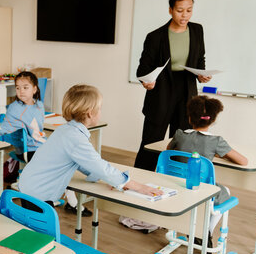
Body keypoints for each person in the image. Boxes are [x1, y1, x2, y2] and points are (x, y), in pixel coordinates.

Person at [19, 84, 163, 212]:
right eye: (99, 108)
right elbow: (100, 166)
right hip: (38, 194)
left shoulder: (66, 130)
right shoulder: (75, 138)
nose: (101, 112)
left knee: (34, 231)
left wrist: (115, 181)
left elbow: (86, 163)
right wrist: (137, 186)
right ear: (90, 112)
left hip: (29, 186)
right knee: (43, 237)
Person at [0, 71, 86, 215]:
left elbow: (37, 127)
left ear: (34, 89)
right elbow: (5, 126)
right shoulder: (15, 108)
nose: (21, 91)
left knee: (66, 159)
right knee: (62, 164)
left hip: (40, 146)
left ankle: (62, 197)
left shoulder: (39, 105)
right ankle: (71, 202)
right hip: (29, 150)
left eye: (25, 87)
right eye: (18, 88)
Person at [134, 0, 212, 171]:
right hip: (161, 91)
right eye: (179, 10)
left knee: (183, 142)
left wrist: (202, 74)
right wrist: (146, 82)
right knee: (152, 142)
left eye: (189, 10)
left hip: (187, 91)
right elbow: (143, 69)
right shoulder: (155, 37)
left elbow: (199, 58)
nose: (184, 15)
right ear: (170, 10)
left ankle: (175, 179)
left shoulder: (197, 30)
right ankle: (142, 178)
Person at [167, 95, 247, 233]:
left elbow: (169, 151)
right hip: (200, 187)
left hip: (177, 182)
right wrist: (219, 153)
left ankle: (196, 229)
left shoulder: (179, 134)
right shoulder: (215, 141)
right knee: (225, 191)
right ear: (213, 120)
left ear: (190, 118)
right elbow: (243, 161)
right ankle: (206, 232)